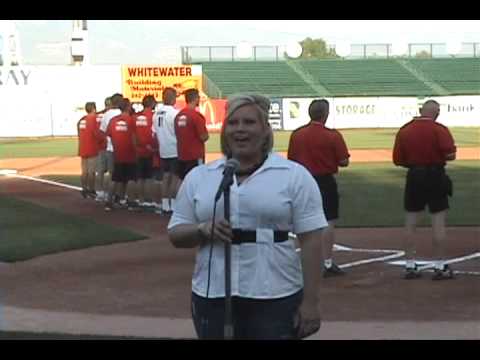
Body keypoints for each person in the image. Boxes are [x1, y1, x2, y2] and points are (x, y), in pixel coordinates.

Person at [168, 94, 327, 340]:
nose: (240, 129)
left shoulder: (294, 176)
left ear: (265, 130)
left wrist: (311, 303)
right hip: (213, 295)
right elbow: (176, 232)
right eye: (233, 123)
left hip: (276, 294)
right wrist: (200, 229)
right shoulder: (200, 177)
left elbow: (312, 240)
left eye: (249, 122)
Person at [393, 100, 456, 280]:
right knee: (438, 221)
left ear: (421, 111)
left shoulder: (405, 130)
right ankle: (439, 265)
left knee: (411, 221)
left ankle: (410, 265)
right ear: (436, 113)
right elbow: (450, 154)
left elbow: (398, 159)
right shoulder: (440, 130)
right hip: (436, 175)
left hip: (414, 176)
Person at [287, 99, 350, 278]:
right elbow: (344, 161)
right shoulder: (332, 135)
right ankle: (327, 262)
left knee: (302, 219)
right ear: (325, 114)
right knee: (328, 220)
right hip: (325, 180)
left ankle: (304, 262)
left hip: (302, 181)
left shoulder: (297, 134)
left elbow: (292, 160)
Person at [104, 98, 137, 211]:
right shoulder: (131, 120)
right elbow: (134, 138)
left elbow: (110, 136)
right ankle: (130, 201)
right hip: (130, 153)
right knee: (131, 179)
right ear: (128, 107)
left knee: (116, 178)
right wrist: (135, 150)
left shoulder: (113, 120)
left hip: (118, 153)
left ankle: (110, 201)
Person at [153, 87, 181, 214]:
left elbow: (153, 132)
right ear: (172, 98)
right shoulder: (174, 113)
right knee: (175, 178)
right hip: (174, 149)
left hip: (163, 149)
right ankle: (174, 205)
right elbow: (179, 132)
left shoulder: (156, 113)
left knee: (165, 177)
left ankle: (165, 205)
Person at [174, 88, 209, 181]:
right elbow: (203, 137)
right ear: (196, 98)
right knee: (198, 180)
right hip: (195, 156)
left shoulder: (178, 115)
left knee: (183, 180)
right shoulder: (196, 116)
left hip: (181, 155)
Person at [98, 93, 123, 203]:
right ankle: (119, 196)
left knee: (112, 174)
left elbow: (102, 131)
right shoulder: (123, 113)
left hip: (110, 148)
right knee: (124, 175)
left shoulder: (106, 115)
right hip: (123, 148)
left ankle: (108, 197)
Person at [134, 94, 156, 209]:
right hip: (149, 150)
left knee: (139, 177)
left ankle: (140, 199)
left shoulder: (136, 116)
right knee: (148, 178)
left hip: (138, 151)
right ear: (152, 104)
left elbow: (133, 134)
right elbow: (153, 134)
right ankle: (148, 200)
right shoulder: (153, 116)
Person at [77, 101, 102, 199]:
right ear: (94, 109)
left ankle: (84, 189)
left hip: (83, 147)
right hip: (92, 147)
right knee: (91, 171)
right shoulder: (93, 119)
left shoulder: (82, 120)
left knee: (84, 171)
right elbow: (96, 133)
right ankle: (91, 190)